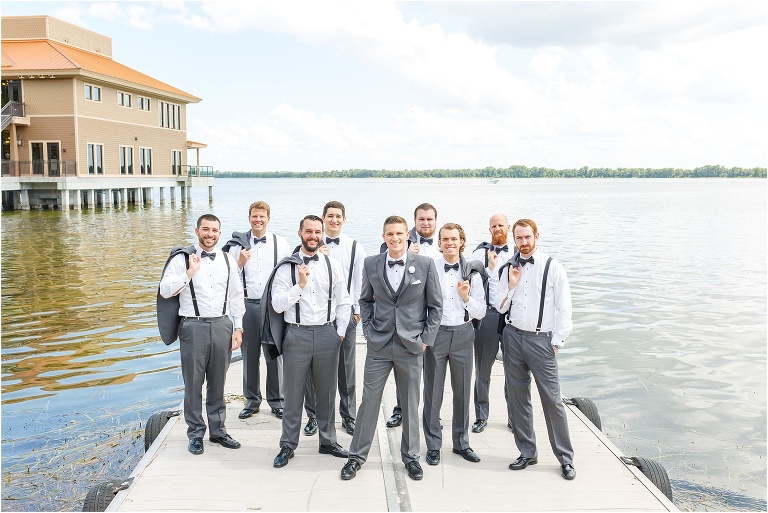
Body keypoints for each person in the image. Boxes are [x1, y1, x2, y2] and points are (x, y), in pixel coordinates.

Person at [340, 215, 442, 482]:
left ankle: (411, 458)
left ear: (407, 235)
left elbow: (435, 307)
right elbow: (365, 300)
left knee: (409, 403)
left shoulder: (425, 265)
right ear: (383, 236)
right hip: (379, 344)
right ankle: (356, 457)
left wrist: (425, 339)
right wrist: (369, 331)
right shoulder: (371, 263)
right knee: (369, 401)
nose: (395, 239)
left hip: (411, 345)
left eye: (399, 234)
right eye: (390, 234)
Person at [493, 218, 576, 480]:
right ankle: (527, 452)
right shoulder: (506, 267)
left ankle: (565, 458)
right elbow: (499, 307)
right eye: (518, 238)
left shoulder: (553, 267)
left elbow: (564, 309)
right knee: (518, 399)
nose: (523, 242)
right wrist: (511, 285)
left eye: (528, 237)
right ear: (513, 239)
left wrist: (557, 341)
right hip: (512, 338)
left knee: (552, 401)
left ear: (536, 236)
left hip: (542, 341)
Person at [159, 214, 246, 455]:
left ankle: (218, 431)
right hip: (193, 327)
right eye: (205, 230)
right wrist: (188, 273)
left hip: (222, 325)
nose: (210, 234)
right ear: (197, 231)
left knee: (218, 382)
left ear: (220, 233)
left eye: (215, 230)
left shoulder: (228, 260)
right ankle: (196, 433)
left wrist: (238, 327)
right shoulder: (181, 259)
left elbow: (237, 296)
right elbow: (165, 291)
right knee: (193, 384)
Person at [270, 215, 352, 468]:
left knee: (327, 393)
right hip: (297, 334)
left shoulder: (332, 265)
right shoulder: (286, 268)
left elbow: (344, 300)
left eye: (318, 232)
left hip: (328, 333)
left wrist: (339, 332)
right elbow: (277, 304)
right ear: (300, 233)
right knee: (293, 393)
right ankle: (288, 444)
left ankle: (327, 441)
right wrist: (300, 286)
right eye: (309, 231)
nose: (314, 236)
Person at [302, 201, 367, 437]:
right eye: (330, 216)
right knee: (312, 369)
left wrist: (358, 311)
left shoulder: (355, 247)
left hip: (346, 314)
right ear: (323, 218)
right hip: (317, 317)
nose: (334, 220)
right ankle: (313, 416)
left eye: (338, 216)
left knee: (346, 368)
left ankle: (348, 416)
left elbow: (361, 280)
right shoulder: (309, 245)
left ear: (344, 219)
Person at [423, 223, 485, 466]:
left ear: (462, 242)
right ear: (439, 243)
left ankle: (461, 443)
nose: (450, 243)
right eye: (445, 239)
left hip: (462, 335)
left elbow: (481, 312)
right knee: (433, 392)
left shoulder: (473, 272)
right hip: (436, 336)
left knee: (462, 392)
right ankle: (433, 445)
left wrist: (466, 298)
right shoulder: (430, 269)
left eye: (454, 239)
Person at [223, 201, 291, 421]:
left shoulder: (280, 243)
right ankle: (252, 401)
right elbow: (228, 279)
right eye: (254, 216)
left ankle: (277, 402)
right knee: (249, 355)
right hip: (248, 305)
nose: (258, 220)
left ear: (268, 218)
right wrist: (239, 263)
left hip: (272, 306)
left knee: (273, 354)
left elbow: (289, 274)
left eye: (262, 216)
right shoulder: (237, 246)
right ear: (249, 218)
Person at [385, 203, 440, 429]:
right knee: (405, 372)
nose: (425, 223)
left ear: (435, 221)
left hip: (437, 321)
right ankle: (401, 410)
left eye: (429, 219)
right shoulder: (399, 244)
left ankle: (431, 415)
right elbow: (384, 272)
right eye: (421, 219)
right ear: (414, 222)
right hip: (410, 322)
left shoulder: (444, 245)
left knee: (434, 373)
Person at [469, 213, 515, 433]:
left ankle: (514, 417)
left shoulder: (518, 253)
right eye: (493, 226)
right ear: (490, 229)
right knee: (482, 369)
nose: (497, 229)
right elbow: (469, 280)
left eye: (501, 225)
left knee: (513, 370)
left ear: (509, 227)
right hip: (486, 316)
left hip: (511, 319)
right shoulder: (479, 252)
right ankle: (481, 415)